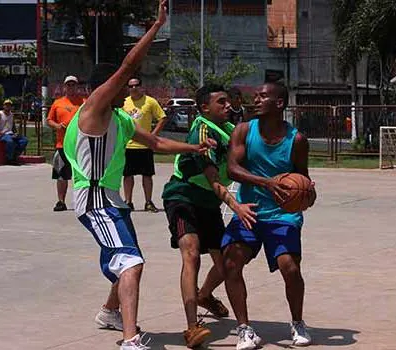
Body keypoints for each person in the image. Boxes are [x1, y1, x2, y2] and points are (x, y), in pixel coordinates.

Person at [62, 2, 214, 349]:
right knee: (131, 261)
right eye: (121, 84)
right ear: (105, 88)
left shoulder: (120, 119)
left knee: (126, 258)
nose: (128, 87)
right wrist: (157, 26)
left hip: (112, 199)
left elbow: (157, 141)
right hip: (95, 199)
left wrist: (194, 149)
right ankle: (131, 339)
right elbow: (130, 63)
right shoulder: (94, 111)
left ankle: (110, 313)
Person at [161, 84, 257, 348]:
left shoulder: (227, 130)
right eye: (221, 102)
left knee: (226, 262)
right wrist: (237, 207)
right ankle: (192, 327)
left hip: (209, 203)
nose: (228, 105)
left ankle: (204, 295)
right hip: (183, 196)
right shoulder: (202, 129)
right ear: (205, 107)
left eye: (229, 101)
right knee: (191, 254)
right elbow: (214, 179)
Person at [223, 82, 316, 350]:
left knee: (290, 267)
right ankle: (244, 329)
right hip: (249, 210)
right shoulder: (243, 131)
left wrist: (307, 194)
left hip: (282, 216)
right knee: (231, 262)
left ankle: (297, 322)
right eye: (256, 95)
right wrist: (267, 183)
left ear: (279, 103)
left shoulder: (296, 140)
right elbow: (232, 168)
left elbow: (303, 178)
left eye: (263, 96)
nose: (256, 99)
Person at [122, 77, 167, 212]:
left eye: (136, 85)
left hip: (145, 145)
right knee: (127, 175)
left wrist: (153, 135)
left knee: (147, 175)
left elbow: (162, 118)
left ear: (141, 86)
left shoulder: (150, 101)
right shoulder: (124, 102)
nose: (134, 88)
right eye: (130, 86)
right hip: (128, 145)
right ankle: (128, 201)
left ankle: (148, 201)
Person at [47, 75, 85, 212]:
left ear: (77, 86)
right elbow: (49, 120)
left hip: (80, 145)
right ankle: (61, 201)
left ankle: (83, 201)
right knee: (61, 175)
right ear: (64, 87)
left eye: (73, 84)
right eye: (68, 85)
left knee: (82, 174)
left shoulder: (84, 102)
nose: (71, 87)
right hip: (62, 145)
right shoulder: (58, 103)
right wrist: (57, 126)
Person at [0, 99, 28, 165]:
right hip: (2, 134)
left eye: (9, 105)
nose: (8, 106)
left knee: (24, 140)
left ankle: (15, 156)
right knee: (10, 141)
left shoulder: (11, 114)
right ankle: (9, 159)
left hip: (10, 133)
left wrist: (15, 133)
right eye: (6, 105)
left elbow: (12, 125)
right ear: (3, 106)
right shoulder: (0, 114)